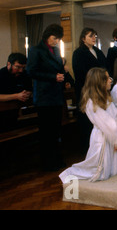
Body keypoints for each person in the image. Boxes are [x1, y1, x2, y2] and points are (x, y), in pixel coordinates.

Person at [59, 68, 117, 183]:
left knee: (110, 170)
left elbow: (116, 116)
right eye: (107, 79)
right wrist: (116, 139)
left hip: (110, 135)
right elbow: (106, 123)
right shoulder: (92, 102)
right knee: (98, 171)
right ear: (99, 82)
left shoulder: (105, 97)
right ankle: (69, 173)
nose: (110, 80)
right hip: (102, 138)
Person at [26, 24, 67, 171]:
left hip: (55, 96)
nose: (56, 41)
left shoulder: (56, 50)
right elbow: (31, 71)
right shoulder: (35, 50)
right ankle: (47, 163)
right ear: (47, 36)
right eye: (54, 38)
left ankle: (56, 159)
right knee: (46, 132)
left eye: (58, 39)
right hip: (44, 96)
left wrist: (63, 72)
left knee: (56, 130)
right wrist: (52, 77)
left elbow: (58, 68)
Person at [72, 28, 108, 154]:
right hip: (86, 89)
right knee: (87, 119)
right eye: (91, 36)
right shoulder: (78, 53)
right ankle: (87, 148)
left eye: (95, 36)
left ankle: (101, 147)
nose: (94, 38)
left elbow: (104, 67)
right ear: (83, 38)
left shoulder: (97, 51)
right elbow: (80, 72)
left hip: (100, 88)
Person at [0, 53, 33, 131]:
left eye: (23, 67)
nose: (21, 70)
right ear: (9, 64)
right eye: (17, 67)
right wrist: (16, 96)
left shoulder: (25, 74)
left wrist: (27, 94)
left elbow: (29, 89)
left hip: (15, 111)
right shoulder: (1, 75)